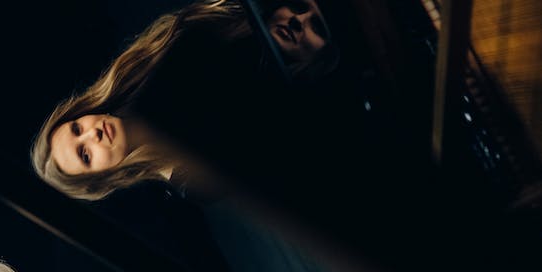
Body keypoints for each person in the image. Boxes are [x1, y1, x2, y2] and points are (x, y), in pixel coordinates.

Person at [31, 0, 338, 201]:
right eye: (85, 154)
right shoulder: (189, 179)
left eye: (76, 128)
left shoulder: (142, 66)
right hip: (329, 67)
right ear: (101, 179)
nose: (92, 134)